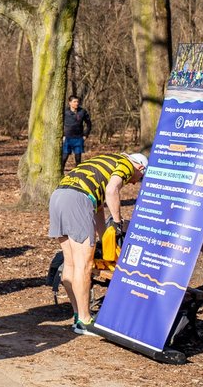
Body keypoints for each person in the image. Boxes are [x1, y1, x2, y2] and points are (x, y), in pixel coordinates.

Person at [49, 152, 147, 334]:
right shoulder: (126, 164)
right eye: (139, 178)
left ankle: (78, 317)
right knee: (84, 265)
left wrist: (105, 240)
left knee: (70, 263)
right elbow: (112, 191)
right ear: (140, 168)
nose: (134, 182)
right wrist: (117, 222)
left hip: (59, 196)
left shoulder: (105, 161)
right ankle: (86, 321)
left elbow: (98, 209)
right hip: (78, 199)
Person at [62, 95, 92, 169]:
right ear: (70, 103)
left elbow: (89, 123)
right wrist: (62, 135)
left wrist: (85, 135)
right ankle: (61, 173)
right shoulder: (65, 112)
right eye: (74, 102)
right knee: (64, 158)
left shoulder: (82, 112)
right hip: (67, 138)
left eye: (77, 102)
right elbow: (59, 124)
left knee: (78, 159)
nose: (76, 103)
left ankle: (78, 174)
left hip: (78, 138)